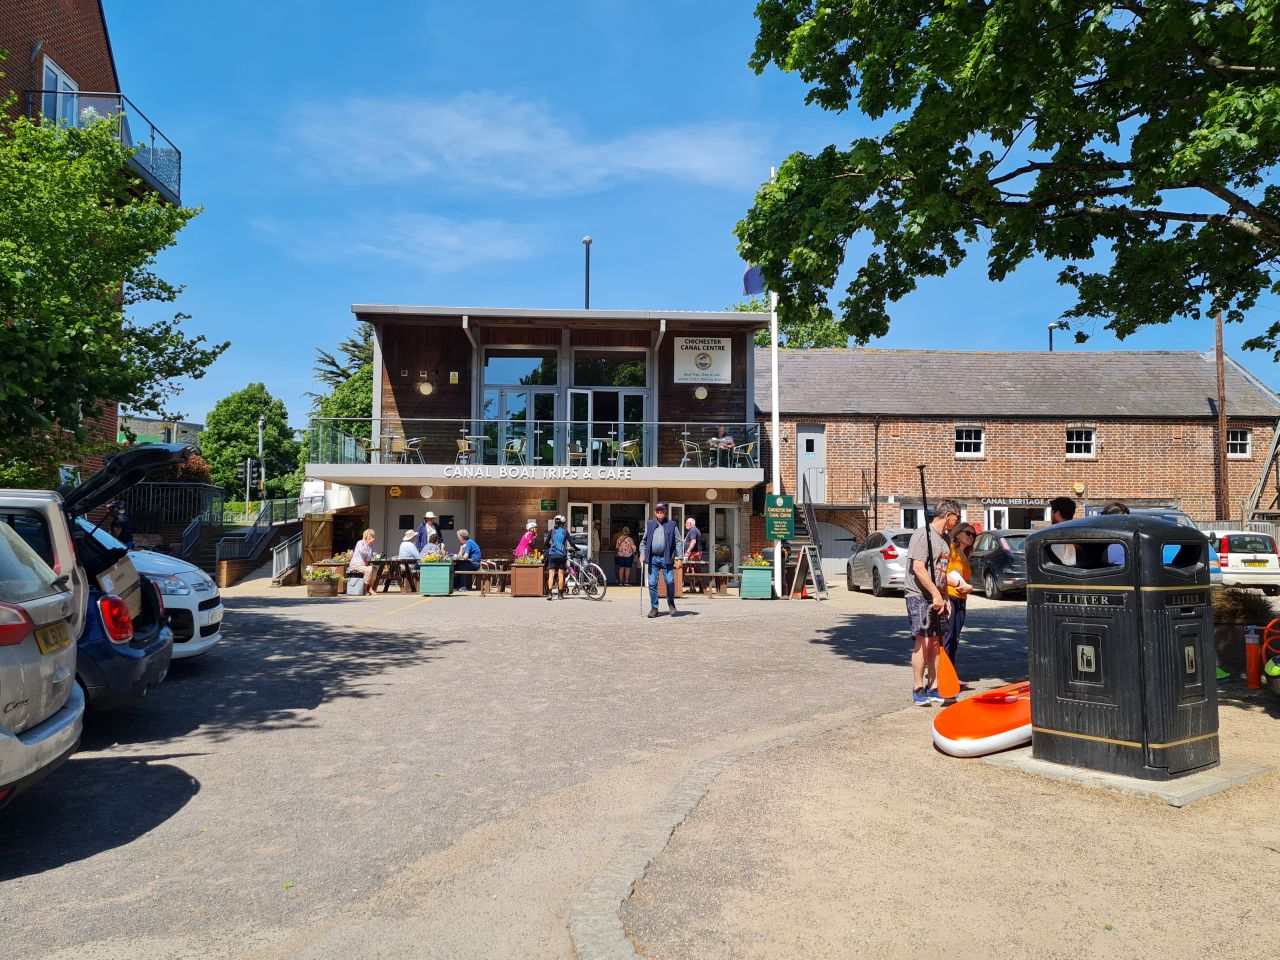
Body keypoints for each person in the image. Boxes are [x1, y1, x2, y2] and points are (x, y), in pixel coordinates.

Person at [905, 499, 961, 706]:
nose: (959, 521)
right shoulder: (922, 535)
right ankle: (918, 688)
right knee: (924, 641)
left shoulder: (943, 540)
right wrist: (934, 594)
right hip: (919, 596)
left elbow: (941, 573)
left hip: (936, 597)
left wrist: (944, 597)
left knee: (937, 642)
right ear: (948, 516)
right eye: (958, 516)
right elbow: (918, 568)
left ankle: (934, 687)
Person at [944, 522, 977, 691]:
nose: (971, 536)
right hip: (950, 596)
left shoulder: (965, 555)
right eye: (968, 533)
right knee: (948, 638)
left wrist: (967, 587)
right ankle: (945, 678)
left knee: (954, 640)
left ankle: (951, 676)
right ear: (957, 534)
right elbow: (940, 574)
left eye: (973, 535)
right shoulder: (950, 550)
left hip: (961, 599)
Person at [641, 502, 682, 617]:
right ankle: (654, 608)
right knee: (652, 583)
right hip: (653, 558)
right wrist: (642, 553)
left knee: (670, 581)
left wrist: (680, 558)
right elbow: (643, 542)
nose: (660, 513)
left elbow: (678, 542)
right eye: (658, 511)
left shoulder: (672, 524)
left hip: (666, 558)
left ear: (665, 512)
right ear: (655, 512)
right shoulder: (650, 524)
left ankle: (671, 604)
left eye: (662, 511)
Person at [544, 515, 572, 599]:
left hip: (552, 555)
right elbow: (572, 543)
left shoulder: (552, 531)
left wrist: (552, 547)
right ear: (563, 523)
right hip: (561, 555)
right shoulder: (565, 531)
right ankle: (560, 595)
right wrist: (577, 548)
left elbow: (545, 543)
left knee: (551, 574)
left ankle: (549, 594)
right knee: (560, 575)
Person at [1048, 496, 1079, 565]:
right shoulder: (1079, 533)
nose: (1051, 516)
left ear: (1057, 514)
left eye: (1052, 512)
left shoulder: (1055, 536)